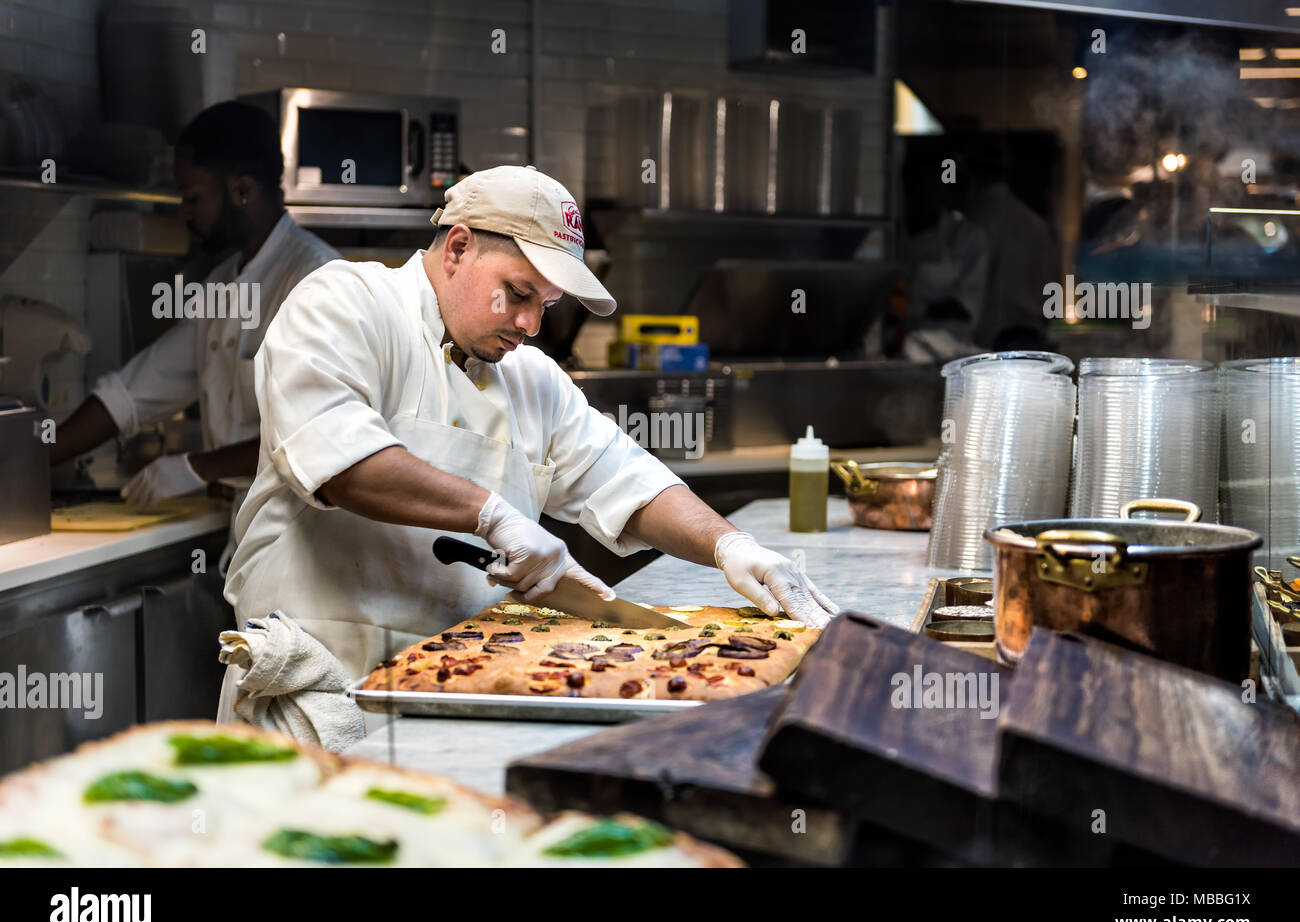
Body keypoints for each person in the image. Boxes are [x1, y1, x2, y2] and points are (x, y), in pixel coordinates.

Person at [221, 165, 838, 710]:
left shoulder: (531, 378)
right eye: (519, 293)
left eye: (547, 304)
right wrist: (494, 516)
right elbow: (342, 461)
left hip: (458, 688)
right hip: (317, 686)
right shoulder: (343, 303)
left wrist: (732, 547)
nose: (531, 324)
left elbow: (623, 476)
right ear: (458, 246)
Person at [51, 101, 339, 508]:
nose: (184, 213)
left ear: (242, 190)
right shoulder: (221, 284)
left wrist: (199, 467)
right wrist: (32, 457)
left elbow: (323, 432)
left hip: (311, 546)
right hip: (247, 537)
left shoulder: (318, 278)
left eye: (192, 197)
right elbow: (131, 393)